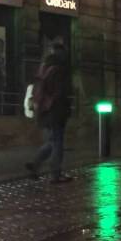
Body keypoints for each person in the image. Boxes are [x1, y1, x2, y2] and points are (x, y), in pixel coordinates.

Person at [26, 42, 72, 183]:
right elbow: (59, 93)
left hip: (44, 110)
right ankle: (55, 174)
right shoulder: (58, 70)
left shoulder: (44, 68)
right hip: (55, 110)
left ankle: (35, 166)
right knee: (57, 142)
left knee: (52, 141)